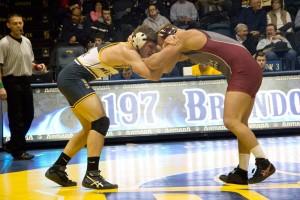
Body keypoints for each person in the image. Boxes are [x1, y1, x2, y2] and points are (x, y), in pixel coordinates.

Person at [143, 24, 276, 185]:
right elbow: (165, 67)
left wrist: (132, 58)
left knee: (231, 121)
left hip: (242, 70)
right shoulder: (183, 45)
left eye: (160, 43)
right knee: (241, 125)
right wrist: (163, 49)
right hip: (248, 70)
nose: (162, 48)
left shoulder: (184, 37)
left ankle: (264, 163)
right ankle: (241, 172)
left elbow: (155, 62)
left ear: (168, 36)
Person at [44, 25, 167, 189]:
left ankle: (57, 167)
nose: (152, 51)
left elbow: (155, 70)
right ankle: (92, 174)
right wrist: (171, 54)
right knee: (100, 122)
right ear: (139, 40)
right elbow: (153, 76)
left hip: (70, 78)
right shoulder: (127, 51)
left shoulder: (130, 49)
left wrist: (163, 53)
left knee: (89, 128)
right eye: (150, 47)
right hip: (73, 78)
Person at [0, 13, 47, 160]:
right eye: (15, 23)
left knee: (29, 115)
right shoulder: (3, 43)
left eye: (20, 23)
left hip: (25, 80)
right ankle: (19, 151)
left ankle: (13, 144)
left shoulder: (27, 41)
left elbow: (29, 63)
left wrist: (37, 66)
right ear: (8, 25)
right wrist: (1, 86)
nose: (18, 25)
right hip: (11, 81)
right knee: (17, 117)